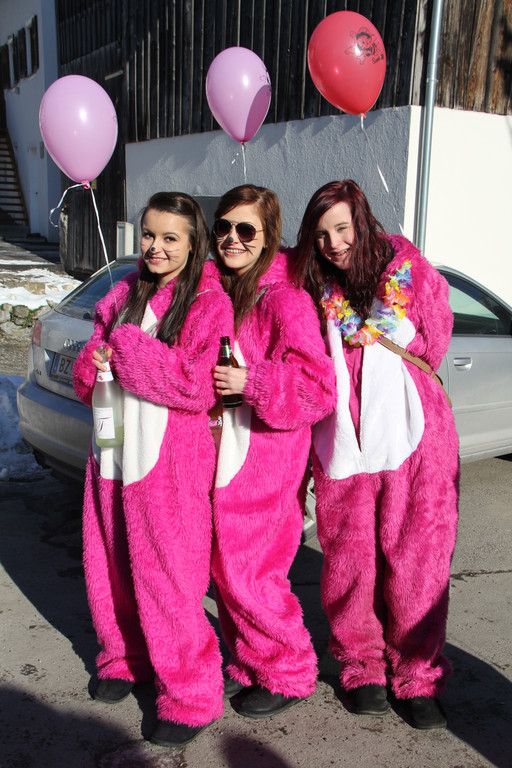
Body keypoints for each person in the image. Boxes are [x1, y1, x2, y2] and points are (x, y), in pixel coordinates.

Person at [294, 180, 459, 731]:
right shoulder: (313, 286)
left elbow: (436, 338)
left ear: (362, 222)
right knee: (350, 559)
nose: (333, 244)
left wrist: (395, 390)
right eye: (321, 234)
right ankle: (361, 665)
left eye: (342, 228)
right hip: (342, 440)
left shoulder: (411, 272)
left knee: (418, 559)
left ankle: (417, 675)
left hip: (414, 438)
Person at [73, 192, 233, 747]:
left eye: (170, 238)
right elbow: (91, 369)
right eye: (149, 234)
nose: (156, 247)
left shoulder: (208, 302)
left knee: (169, 574)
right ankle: (124, 655)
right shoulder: (123, 293)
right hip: (112, 447)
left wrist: (126, 348)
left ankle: (191, 693)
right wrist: (94, 361)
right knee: (110, 560)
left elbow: (195, 385)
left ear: (193, 243)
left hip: (169, 459)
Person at [210, 184, 337, 719]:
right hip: (226, 452)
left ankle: (289, 670)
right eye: (223, 227)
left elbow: (318, 388)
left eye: (246, 229)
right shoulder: (222, 290)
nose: (232, 239)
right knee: (228, 571)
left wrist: (252, 381)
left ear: (268, 237)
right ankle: (251, 661)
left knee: (254, 573)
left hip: (266, 459)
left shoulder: (285, 299)